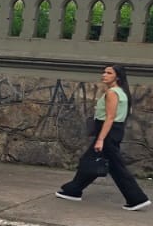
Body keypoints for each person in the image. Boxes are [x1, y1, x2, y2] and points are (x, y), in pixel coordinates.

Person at [56, 65, 150, 211]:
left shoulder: (112, 93)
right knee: (90, 161)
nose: (104, 75)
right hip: (114, 131)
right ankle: (73, 190)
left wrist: (100, 139)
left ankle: (136, 198)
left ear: (117, 76)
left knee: (116, 167)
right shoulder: (122, 92)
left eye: (109, 73)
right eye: (104, 72)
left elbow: (110, 118)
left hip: (107, 131)